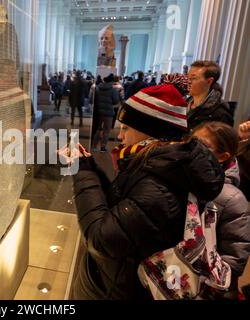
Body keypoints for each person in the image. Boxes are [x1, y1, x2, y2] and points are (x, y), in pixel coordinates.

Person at [61, 83, 225, 300]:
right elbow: (121, 209)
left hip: (117, 290)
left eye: (126, 128)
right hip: (116, 280)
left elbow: (102, 238)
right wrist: (90, 167)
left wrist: (82, 172)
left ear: (151, 132)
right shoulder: (159, 164)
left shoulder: (159, 187)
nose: (120, 136)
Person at [192, 122, 250, 298]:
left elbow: (234, 257)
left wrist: (208, 288)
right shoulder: (186, 180)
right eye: (191, 141)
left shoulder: (232, 198)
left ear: (222, 157)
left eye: (202, 146)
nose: (192, 149)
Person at [187, 60, 234, 129]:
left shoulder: (221, 114)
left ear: (209, 81)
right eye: (187, 77)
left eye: (193, 78)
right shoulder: (183, 104)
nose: (187, 81)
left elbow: (222, 139)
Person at [90, 74, 120, 152]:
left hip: (98, 112)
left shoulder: (97, 88)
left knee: (98, 129)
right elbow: (116, 101)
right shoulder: (113, 90)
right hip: (108, 113)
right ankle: (103, 147)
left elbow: (93, 99)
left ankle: (94, 146)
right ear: (111, 81)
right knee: (106, 131)